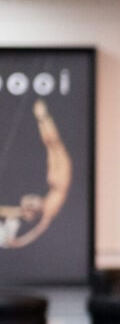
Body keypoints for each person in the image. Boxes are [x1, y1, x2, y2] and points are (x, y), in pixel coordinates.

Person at [0, 101, 73, 249]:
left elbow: (9, 210)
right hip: (61, 178)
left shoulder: (39, 205)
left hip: (53, 179)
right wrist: (20, 241)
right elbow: (38, 230)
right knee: (54, 142)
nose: (32, 202)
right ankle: (42, 115)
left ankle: (41, 117)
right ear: (35, 212)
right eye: (31, 206)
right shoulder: (47, 213)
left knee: (49, 142)